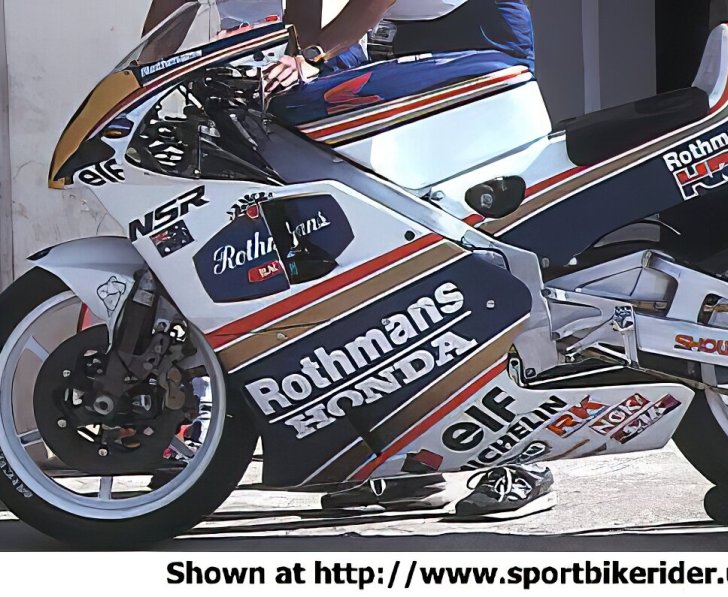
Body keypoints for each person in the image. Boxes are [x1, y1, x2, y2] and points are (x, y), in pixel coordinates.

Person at [142, 0, 555, 521]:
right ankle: (407, 466)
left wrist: (309, 56)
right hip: (391, 38)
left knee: (488, 227)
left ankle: (524, 455)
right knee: (393, 254)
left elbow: (324, 16)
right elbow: (172, 21)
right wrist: (140, 81)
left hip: (473, 23)